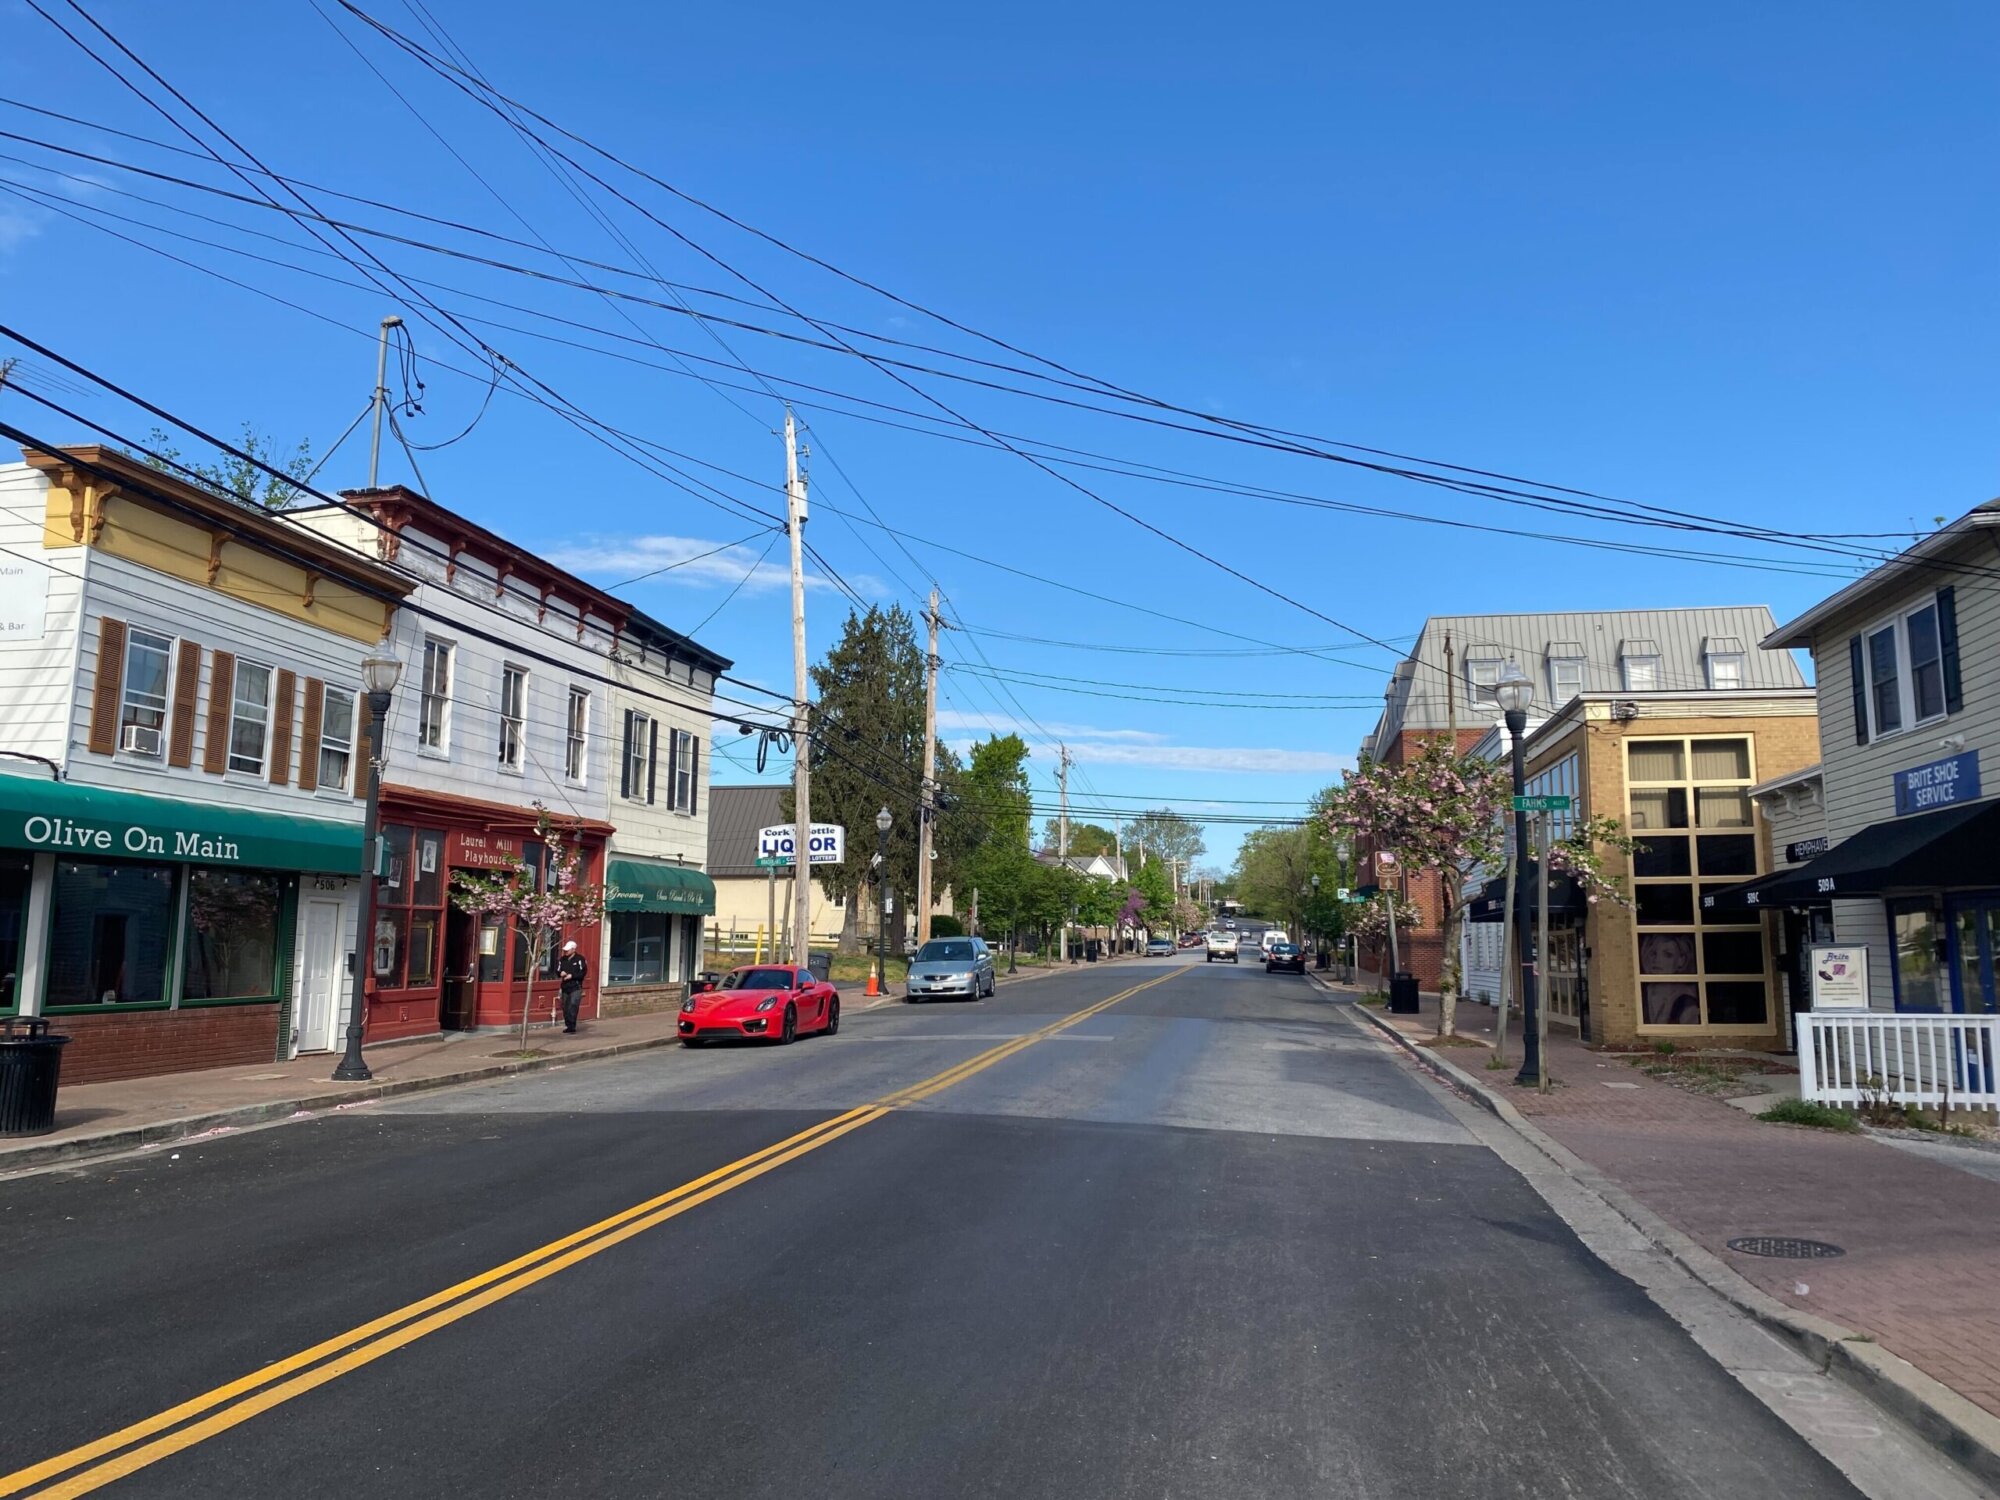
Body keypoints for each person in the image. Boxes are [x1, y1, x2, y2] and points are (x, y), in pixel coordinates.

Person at [557, 939, 588, 1033]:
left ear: (573, 949)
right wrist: (560, 973)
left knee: (573, 1005)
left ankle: (572, 1026)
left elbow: (583, 972)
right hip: (565, 987)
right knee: (565, 1007)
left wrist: (572, 976)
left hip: (576, 986)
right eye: (565, 950)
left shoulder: (580, 959)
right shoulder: (562, 959)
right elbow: (557, 970)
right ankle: (568, 1025)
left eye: (568, 950)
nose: (566, 951)